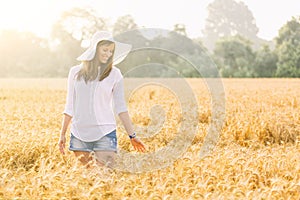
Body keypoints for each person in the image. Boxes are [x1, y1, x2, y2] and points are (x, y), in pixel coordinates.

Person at [58, 31, 146, 168]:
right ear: (95, 48)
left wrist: (132, 136)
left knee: (105, 177)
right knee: (87, 181)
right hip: (79, 133)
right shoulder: (75, 72)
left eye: (111, 51)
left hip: (105, 132)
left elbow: (120, 108)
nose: (108, 54)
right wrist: (62, 134)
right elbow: (70, 105)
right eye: (105, 50)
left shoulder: (114, 74)